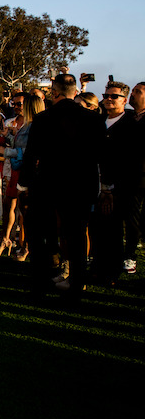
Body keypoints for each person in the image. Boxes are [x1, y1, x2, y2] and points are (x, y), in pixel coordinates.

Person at [18, 74, 107, 301]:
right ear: (75, 92)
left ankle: (39, 284)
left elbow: (31, 155)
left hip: (49, 184)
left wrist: (23, 184)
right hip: (82, 185)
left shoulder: (43, 119)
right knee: (76, 236)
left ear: (54, 93)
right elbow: (103, 155)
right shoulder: (94, 119)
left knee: (41, 235)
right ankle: (77, 286)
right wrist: (105, 185)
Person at [86, 82, 138, 286]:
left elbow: (129, 160)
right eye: (106, 95)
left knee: (114, 230)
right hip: (94, 184)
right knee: (96, 228)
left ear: (124, 100)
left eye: (114, 96)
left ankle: (111, 272)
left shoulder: (131, 124)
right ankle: (97, 267)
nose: (108, 99)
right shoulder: (98, 122)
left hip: (119, 188)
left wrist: (110, 188)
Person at [0, 94, 44, 258]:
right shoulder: (24, 125)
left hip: (26, 172)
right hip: (16, 170)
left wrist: (5, 151)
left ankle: (26, 246)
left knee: (26, 211)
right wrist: (9, 136)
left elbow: (29, 151)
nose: (17, 107)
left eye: (21, 104)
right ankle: (6, 240)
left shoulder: (36, 125)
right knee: (9, 206)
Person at [123, 82, 145, 274]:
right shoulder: (128, 118)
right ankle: (129, 255)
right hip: (130, 177)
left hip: (142, 174)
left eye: (138, 92)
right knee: (131, 218)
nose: (133, 95)